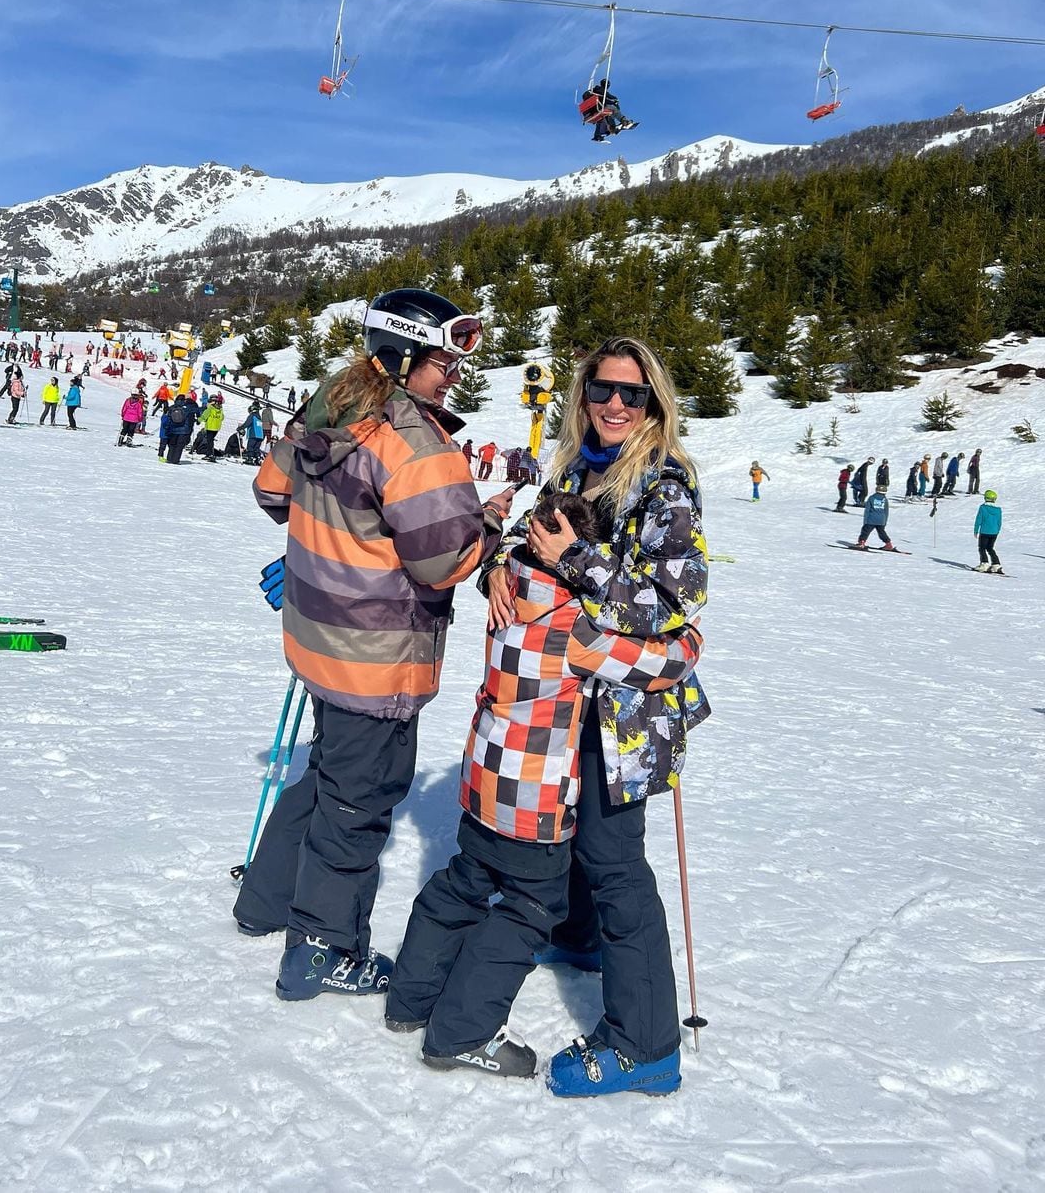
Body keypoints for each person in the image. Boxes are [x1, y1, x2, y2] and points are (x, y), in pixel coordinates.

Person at [231, 288, 515, 1006]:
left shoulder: (331, 402)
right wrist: (483, 525)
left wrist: (337, 536)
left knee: (329, 771)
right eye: (443, 359)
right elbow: (440, 560)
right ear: (404, 353)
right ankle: (322, 948)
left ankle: (265, 900)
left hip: (318, 636)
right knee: (358, 801)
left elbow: (273, 491)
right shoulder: (415, 438)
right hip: (376, 651)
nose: (453, 372)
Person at [386, 468, 706, 1085]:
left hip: (483, 775)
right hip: (533, 793)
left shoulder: (513, 589)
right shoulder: (576, 627)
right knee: (531, 905)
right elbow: (662, 662)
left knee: (465, 880)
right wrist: (687, 636)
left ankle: (411, 997)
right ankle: (462, 1030)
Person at [489, 336, 709, 1097]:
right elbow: (537, 540)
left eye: (632, 393)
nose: (615, 404)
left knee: (617, 863)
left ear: (654, 402)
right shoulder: (581, 464)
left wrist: (580, 558)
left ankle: (648, 1042)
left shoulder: (663, 485)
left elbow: (671, 606)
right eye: (602, 390)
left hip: (631, 709)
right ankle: (580, 937)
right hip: (574, 694)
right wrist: (499, 565)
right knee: (581, 830)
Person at [973, 489, 1003, 573]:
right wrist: (997, 531)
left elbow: (979, 520)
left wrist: (976, 530)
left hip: (985, 531)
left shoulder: (983, 507)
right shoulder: (998, 509)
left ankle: (984, 563)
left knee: (982, 548)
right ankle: (996, 564)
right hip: (994, 532)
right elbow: (999, 522)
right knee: (990, 548)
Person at [161, 393, 194, 464]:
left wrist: (167, 429)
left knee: (172, 444)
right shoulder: (187, 409)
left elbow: (168, 419)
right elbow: (190, 421)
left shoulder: (172, 407)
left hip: (173, 430)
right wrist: (189, 431)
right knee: (179, 446)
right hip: (183, 431)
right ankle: (175, 460)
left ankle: (169, 459)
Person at [198, 395, 224, 461]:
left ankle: (209, 454)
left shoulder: (210, 408)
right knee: (211, 441)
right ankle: (210, 453)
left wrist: (198, 420)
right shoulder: (220, 409)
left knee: (209, 441)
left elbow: (204, 416)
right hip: (216, 427)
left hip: (210, 427)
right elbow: (222, 417)